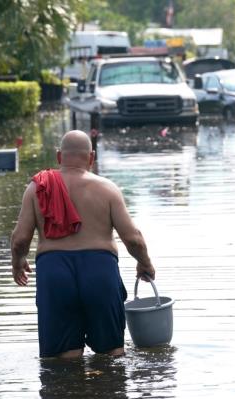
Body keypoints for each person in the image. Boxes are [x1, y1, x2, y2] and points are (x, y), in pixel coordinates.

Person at [10, 130, 156, 359]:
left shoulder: (38, 189)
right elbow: (133, 239)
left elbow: (20, 239)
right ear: (92, 157)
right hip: (100, 270)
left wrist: (17, 262)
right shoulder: (107, 189)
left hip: (54, 271)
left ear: (59, 157)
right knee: (112, 354)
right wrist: (145, 263)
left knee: (63, 360)